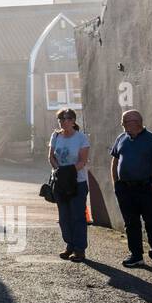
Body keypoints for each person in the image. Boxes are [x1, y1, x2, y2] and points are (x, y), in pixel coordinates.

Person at [110, 109, 152, 269]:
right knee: (131, 223)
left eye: (124, 122)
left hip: (145, 187)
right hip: (125, 189)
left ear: (135, 122)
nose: (122, 125)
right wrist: (116, 183)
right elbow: (114, 162)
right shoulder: (121, 138)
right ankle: (136, 256)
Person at [48, 107, 91, 262]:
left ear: (73, 121)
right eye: (61, 119)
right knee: (64, 217)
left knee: (77, 216)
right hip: (60, 182)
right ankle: (69, 246)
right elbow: (51, 157)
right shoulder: (56, 136)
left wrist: (69, 172)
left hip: (77, 182)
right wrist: (58, 170)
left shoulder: (81, 138)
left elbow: (82, 161)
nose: (64, 122)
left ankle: (80, 250)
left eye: (67, 119)